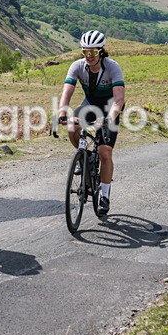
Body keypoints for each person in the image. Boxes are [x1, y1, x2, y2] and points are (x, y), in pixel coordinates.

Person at [57, 30, 125, 217]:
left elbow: (119, 99)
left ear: (101, 52)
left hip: (110, 108)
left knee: (105, 152)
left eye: (93, 52)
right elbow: (67, 91)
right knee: (72, 125)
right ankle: (85, 155)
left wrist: (108, 119)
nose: (89, 56)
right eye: (85, 52)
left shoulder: (112, 67)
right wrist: (63, 111)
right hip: (90, 106)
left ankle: (104, 195)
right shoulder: (77, 66)